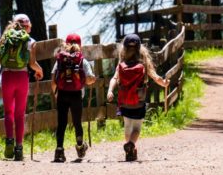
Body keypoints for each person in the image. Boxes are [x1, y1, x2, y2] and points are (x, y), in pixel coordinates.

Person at [107, 33, 169, 161]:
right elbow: (155, 76)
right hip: (139, 102)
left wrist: (110, 91)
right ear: (139, 47)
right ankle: (131, 145)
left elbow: (114, 78)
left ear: (124, 48)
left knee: (127, 126)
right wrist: (163, 83)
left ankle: (130, 151)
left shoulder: (122, 62)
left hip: (124, 101)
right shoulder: (144, 62)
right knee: (136, 128)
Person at [0, 14, 43, 161]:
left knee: (8, 112)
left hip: (7, 77)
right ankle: (19, 148)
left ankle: (9, 141)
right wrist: (40, 71)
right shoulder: (30, 41)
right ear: (29, 26)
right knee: (20, 114)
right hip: (22, 78)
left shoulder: (6, 38)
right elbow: (32, 64)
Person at [51, 33, 96, 162]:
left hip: (62, 94)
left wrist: (56, 94)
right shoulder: (82, 60)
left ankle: (59, 150)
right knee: (77, 123)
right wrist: (92, 80)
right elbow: (88, 79)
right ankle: (80, 147)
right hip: (76, 95)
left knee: (62, 123)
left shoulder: (60, 60)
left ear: (66, 44)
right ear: (80, 45)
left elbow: (53, 80)